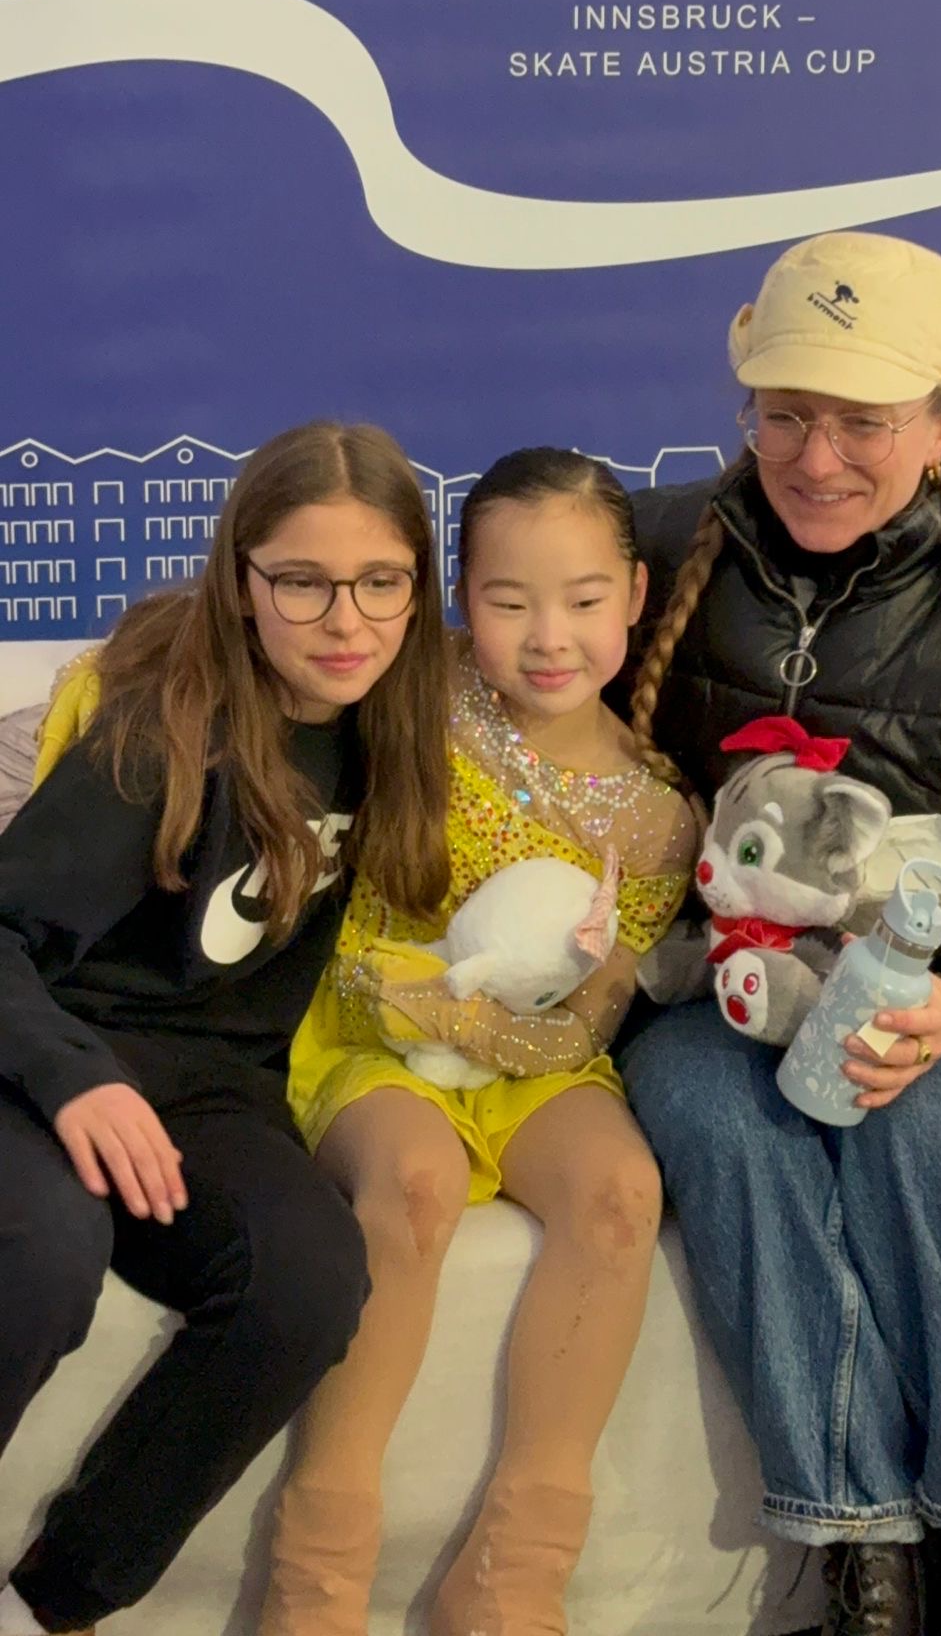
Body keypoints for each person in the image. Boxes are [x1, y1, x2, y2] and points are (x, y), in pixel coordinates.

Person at [615, 231, 941, 1636]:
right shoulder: (647, 550)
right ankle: (859, 1558)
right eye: (785, 413)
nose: (817, 458)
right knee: (727, 1126)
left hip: (936, 994)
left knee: (930, 1138)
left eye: (865, 421)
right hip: (713, 986)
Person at [0, 420, 451, 1636]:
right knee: (41, 1252)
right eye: (302, 580)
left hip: (211, 1088)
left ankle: (59, 1597)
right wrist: (74, 1078)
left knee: (308, 1279)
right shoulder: (166, 725)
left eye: (379, 580)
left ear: (419, 585)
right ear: (242, 581)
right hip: (51, 1055)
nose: (345, 619)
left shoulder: (398, 724)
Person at [262, 449, 697, 1636]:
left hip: (536, 1051)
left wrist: (497, 1030)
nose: (549, 637)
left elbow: (593, 1011)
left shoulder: (660, 810)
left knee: (621, 1191)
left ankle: (514, 1577)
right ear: (459, 598)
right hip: (372, 1018)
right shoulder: (417, 688)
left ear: (635, 595)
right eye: (509, 601)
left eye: (584, 599)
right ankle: (316, 1579)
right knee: (414, 1180)